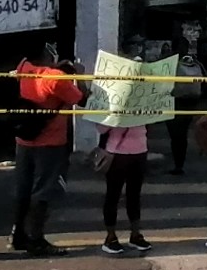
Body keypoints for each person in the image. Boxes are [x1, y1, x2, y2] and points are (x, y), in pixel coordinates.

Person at [11, 45, 85, 257]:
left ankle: (18, 234)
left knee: (23, 188)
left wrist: (57, 67)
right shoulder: (56, 78)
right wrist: (79, 75)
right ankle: (36, 239)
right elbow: (82, 99)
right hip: (50, 142)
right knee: (43, 189)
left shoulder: (24, 68)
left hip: (25, 140)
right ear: (46, 56)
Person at [97, 122, 151, 254]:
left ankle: (135, 234)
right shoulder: (111, 103)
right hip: (116, 153)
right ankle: (110, 237)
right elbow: (101, 128)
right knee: (113, 194)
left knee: (134, 194)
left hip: (140, 151)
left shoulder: (144, 103)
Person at [167, 40, 205, 175]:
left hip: (175, 101)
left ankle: (178, 164)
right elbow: (206, 80)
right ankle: (179, 163)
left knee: (176, 135)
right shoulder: (194, 61)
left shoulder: (170, 62)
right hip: (191, 102)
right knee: (181, 134)